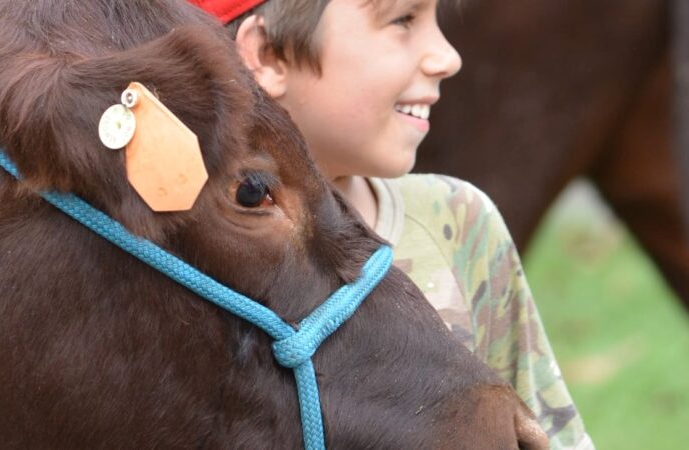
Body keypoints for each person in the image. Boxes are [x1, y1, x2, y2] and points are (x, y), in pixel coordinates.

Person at [189, 0, 595, 447]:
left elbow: (548, 433)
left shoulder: (459, 220)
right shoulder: (182, 255)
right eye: (403, 20)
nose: (448, 57)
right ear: (269, 55)